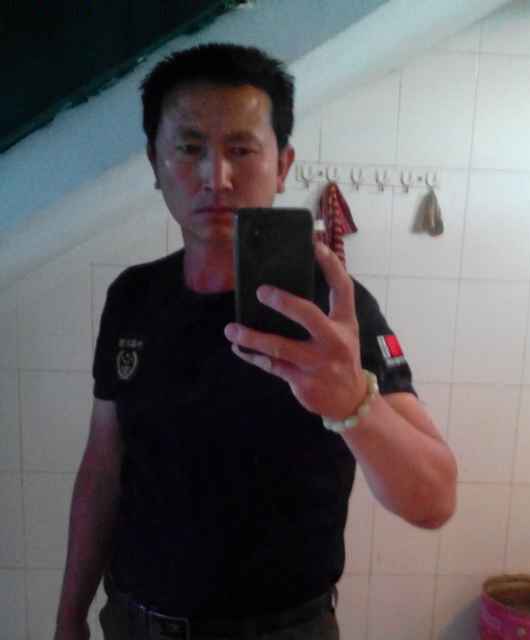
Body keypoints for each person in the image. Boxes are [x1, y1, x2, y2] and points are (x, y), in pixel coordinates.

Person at [53, 43, 457, 640]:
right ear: (155, 163)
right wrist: (69, 616)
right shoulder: (133, 297)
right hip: (133, 623)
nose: (215, 177)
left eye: (241, 150)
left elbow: (434, 501)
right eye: (190, 148)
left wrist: (355, 405)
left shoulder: (332, 310)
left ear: (283, 164)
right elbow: (102, 466)